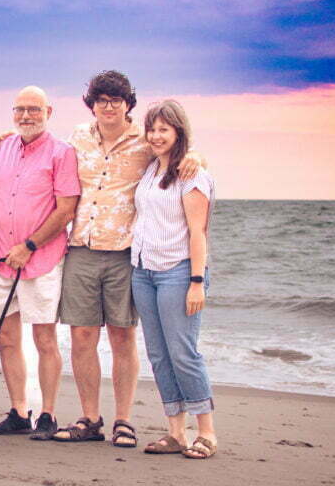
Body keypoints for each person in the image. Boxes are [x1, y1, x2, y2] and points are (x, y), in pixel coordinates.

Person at [53, 71, 204, 446]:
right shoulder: (76, 137)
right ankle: (90, 418)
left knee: (123, 336)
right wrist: (5, 138)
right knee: (82, 336)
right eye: (102, 99)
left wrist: (197, 156)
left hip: (125, 253)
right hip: (81, 248)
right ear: (92, 103)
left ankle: (124, 420)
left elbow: (179, 149)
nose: (108, 106)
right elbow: (45, 154)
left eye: (116, 100)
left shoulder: (144, 139)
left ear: (127, 104)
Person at [0, 86, 80, 440]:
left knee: (44, 338)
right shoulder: (0, 150)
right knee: (6, 337)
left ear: (48, 112)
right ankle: (19, 411)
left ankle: (48, 415)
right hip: (2, 261)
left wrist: (30, 244)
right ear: (13, 112)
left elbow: (66, 209)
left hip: (42, 260)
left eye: (34, 110)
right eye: (20, 109)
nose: (26, 116)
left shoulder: (62, 152)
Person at [130, 99, 217, 459]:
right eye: (152, 129)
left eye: (164, 129)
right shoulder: (150, 168)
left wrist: (196, 281)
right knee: (159, 356)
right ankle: (176, 432)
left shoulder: (191, 173)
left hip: (178, 271)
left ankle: (207, 433)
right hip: (143, 271)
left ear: (178, 131)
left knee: (183, 353)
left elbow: (198, 232)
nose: (156, 135)